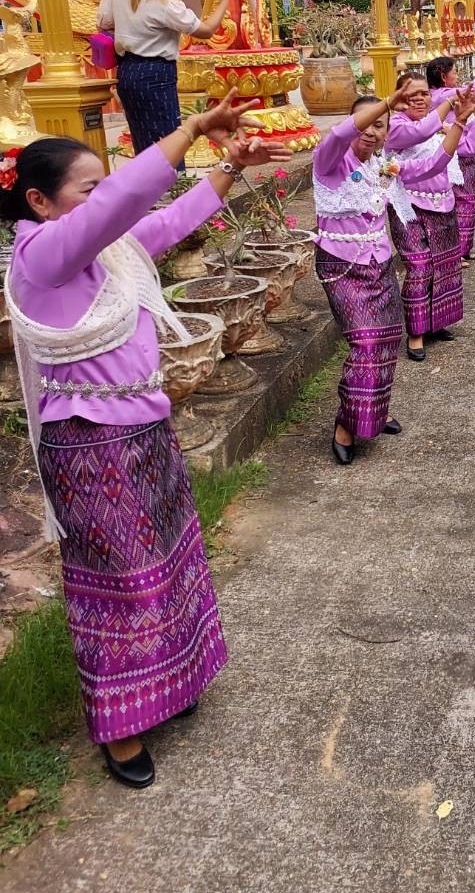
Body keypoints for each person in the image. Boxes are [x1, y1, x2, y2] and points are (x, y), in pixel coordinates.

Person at [2, 94, 290, 789]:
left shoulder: (106, 251)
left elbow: (158, 222)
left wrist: (224, 166)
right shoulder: (43, 254)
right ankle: (120, 721)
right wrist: (185, 132)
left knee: (169, 557)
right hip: (90, 442)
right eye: (87, 187)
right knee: (120, 580)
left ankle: (171, 679)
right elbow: (122, 206)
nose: (101, 198)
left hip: (145, 427)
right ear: (40, 201)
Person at [312, 88, 417, 464]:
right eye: (366, 124)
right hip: (341, 265)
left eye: (381, 126)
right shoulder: (328, 162)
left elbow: (432, 165)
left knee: (388, 339)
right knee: (366, 344)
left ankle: (376, 410)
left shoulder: (380, 166)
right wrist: (386, 104)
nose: (372, 132)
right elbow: (339, 136)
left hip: (380, 262)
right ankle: (345, 424)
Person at [384, 74, 475, 361]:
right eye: (411, 94)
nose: (418, 98)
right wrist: (448, 109)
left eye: (423, 94)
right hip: (408, 206)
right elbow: (418, 134)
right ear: (398, 98)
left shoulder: (438, 123)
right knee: (419, 266)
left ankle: (437, 323)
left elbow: (466, 149)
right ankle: (416, 332)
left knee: (444, 265)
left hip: (442, 203)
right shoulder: (395, 126)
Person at [97, 0, 229, 157]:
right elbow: (205, 31)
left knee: (140, 135)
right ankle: (172, 186)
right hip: (156, 73)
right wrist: (224, 2)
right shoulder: (165, 6)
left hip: (128, 71)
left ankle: (148, 184)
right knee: (168, 138)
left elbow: (103, 25)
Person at [426, 56, 475, 265]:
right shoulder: (444, 95)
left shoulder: (445, 94)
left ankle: (463, 248)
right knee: (460, 201)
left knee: (466, 200)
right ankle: (456, 251)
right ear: (443, 76)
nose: (457, 76)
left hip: (461, 147)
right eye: (454, 72)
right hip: (453, 151)